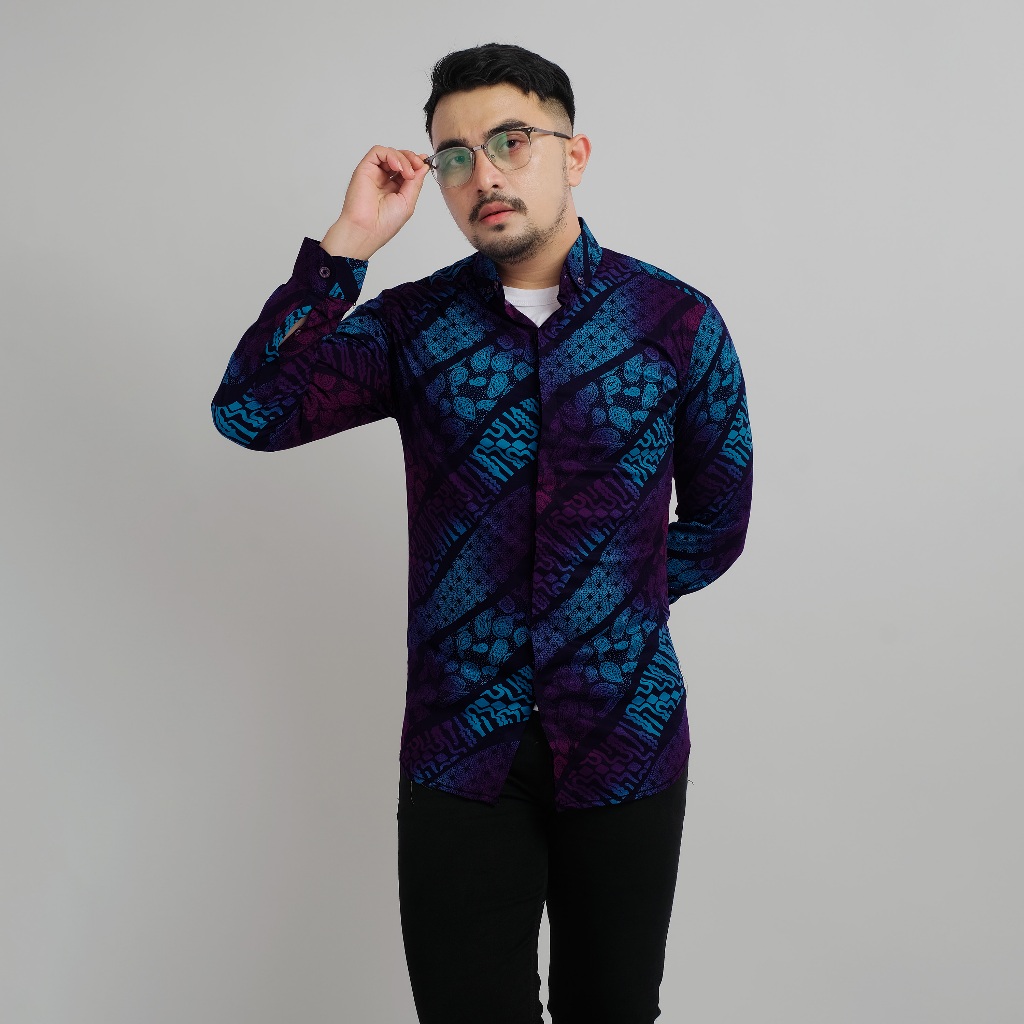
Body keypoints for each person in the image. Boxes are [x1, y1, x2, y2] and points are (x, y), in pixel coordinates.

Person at [211, 41, 753, 1024]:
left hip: (624, 734)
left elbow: (717, 522)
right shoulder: (412, 328)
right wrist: (348, 245)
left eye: (510, 141)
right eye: (454, 155)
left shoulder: (674, 323)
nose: (483, 174)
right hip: (462, 746)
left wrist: (606, 606)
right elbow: (251, 411)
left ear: (574, 154)